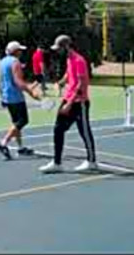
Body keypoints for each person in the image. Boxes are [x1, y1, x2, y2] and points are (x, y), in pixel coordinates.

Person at [39, 35, 97, 173]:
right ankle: (57, 163)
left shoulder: (79, 60)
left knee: (84, 132)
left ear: (66, 47)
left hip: (79, 102)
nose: (57, 51)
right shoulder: (69, 59)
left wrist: (69, 104)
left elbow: (81, 84)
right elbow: (69, 74)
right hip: (68, 99)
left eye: (59, 48)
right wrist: (61, 82)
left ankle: (92, 161)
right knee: (58, 129)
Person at [0, 41, 41, 160]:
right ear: (15, 51)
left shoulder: (2, 62)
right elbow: (18, 81)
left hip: (7, 97)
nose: (21, 52)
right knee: (22, 121)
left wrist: (1, 96)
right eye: (19, 50)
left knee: (16, 123)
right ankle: (3, 143)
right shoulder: (15, 62)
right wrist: (31, 93)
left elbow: (0, 81)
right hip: (16, 97)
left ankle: (20, 148)